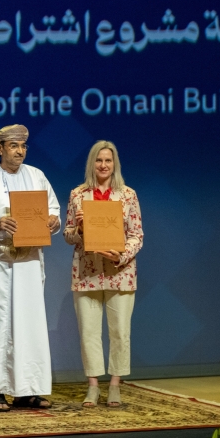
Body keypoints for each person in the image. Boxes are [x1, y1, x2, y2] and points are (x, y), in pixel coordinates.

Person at [0, 125, 61, 412]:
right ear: (1, 148)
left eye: (23, 146)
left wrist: (53, 221)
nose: (20, 151)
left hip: (28, 262)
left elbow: (53, 209)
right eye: (14, 146)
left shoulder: (37, 176)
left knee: (28, 325)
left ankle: (28, 390)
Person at [63, 141, 143, 407]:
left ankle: (116, 384)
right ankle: (94, 385)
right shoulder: (78, 194)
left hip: (120, 271)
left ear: (114, 164)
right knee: (89, 332)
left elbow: (137, 235)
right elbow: (67, 234)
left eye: (108, 161)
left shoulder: (128, 195)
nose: (103, 165)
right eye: (99, 161)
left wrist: (121, 255)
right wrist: (82, 231)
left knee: (120, 331)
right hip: (87, 272)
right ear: (92, 164)